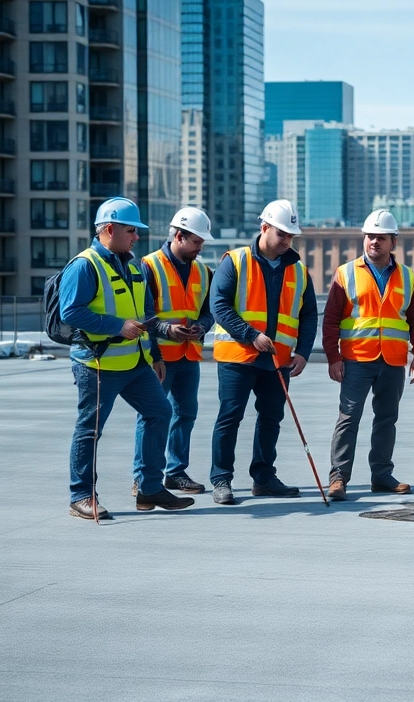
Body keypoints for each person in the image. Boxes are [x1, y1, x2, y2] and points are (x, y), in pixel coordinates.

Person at [61, 197, 196, 520]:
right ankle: (81, 496)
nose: (137, 237)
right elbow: (71, 312)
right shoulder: (85, 265)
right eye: (131, 231)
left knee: (159, 412)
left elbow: (146, 314)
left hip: (135, 363)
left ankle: (149, 488)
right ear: (109, 229)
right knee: (90, 429)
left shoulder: (132, 265)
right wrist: (117, 326)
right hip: (97, 364)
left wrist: (154, 353)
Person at [207, 200, 319, 505]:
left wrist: (304, 351)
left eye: (290, 236)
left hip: (278, 360)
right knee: (230, 417)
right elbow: (218, 305)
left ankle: (264, 477)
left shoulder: (298, 271)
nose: (286, 240)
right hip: (237, 356)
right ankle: (221, 479)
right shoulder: (236, 261)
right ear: (264, 227)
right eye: (281, 233)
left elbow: (309, 314)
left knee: (272, 418)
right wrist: (249, 335)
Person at [320, 209, 414, 501]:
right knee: (349, 418)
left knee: (386, 419)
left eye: (381, 238)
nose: (374, 242)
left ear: (393, 242)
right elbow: (330, 320)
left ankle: (381, 476)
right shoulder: (345, 274)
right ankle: (338, 478)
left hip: (392, 361)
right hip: (356, 360)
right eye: (370, 237)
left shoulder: (407, 277)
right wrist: (333, 357)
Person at [130, 207, 216, 496]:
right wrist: (166, 332)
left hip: (189, 356)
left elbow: (209, 311)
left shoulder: (204, 271)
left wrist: (202, 326)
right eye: (196, 242)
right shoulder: (149, 266)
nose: (200, 247)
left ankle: (175, 473)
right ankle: (142, 477)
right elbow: (143, 312)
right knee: (151, 416)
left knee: (186, 414)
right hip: (158, 357)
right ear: (179, 236)